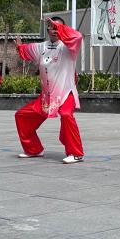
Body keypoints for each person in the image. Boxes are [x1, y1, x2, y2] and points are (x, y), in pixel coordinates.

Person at [15, 17, 84, 163]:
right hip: (46, 97)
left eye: (58, 27)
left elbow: (77, 36)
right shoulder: (40, 47)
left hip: (66, 93)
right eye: (52, 27)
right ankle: (33, 149)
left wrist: (59, 27)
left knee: (66, 115)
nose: (54, 30)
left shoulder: (69, 47)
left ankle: (76, 153)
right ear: (47, 29)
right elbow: (25, 50)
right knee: (22, 116)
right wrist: (19, 47)